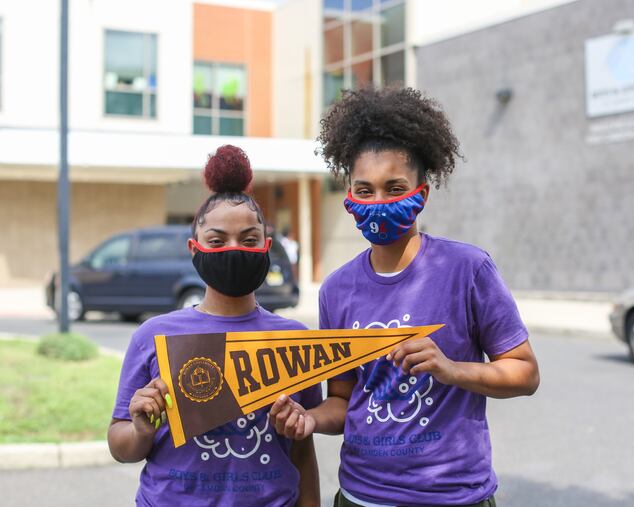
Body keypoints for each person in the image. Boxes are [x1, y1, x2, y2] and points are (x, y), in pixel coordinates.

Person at [270, 87, 540, 506]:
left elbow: (525, 373)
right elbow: (343, 400)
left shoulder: (468, 269)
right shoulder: (337, 290)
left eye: (394, 187)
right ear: (350, 195)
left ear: (421, 194)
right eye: (364, 189)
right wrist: (309, 419)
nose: (378, 202)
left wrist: (452, 370)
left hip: (454, 497)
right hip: (361, 496)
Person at [107, 145, 321, 507]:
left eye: (249, 240)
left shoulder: (293, 339)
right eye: (217, 241)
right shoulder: (153, 335)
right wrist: (142, 428)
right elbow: (120, 444)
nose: (234, 249)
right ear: (195, 249)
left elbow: (301, 450)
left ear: (266, 247)